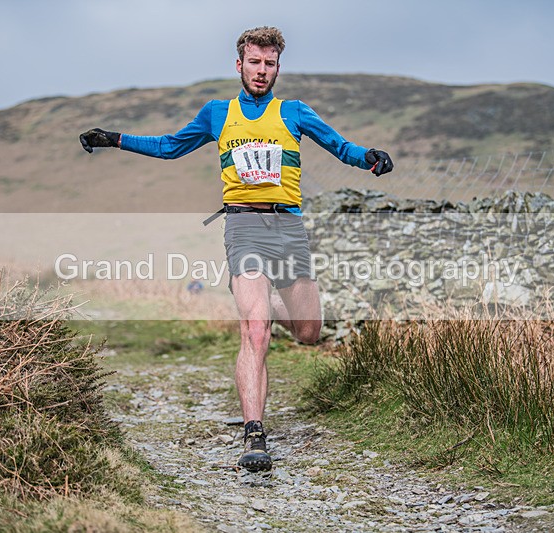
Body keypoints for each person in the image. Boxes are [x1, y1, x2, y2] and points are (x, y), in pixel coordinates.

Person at [79, 26, 393, 472]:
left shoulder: (295, 112)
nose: (261, 71)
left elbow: (341, 148)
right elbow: (170, 147)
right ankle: (254, 435)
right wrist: (116, 139)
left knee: (308, 331)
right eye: (254, 63)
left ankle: (264, 309)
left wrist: (370, 158)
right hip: (243, 226)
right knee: (255, 331)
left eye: (269, 64)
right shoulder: (217, 113)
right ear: (239, 65)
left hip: (288, 228)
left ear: (277, 67)